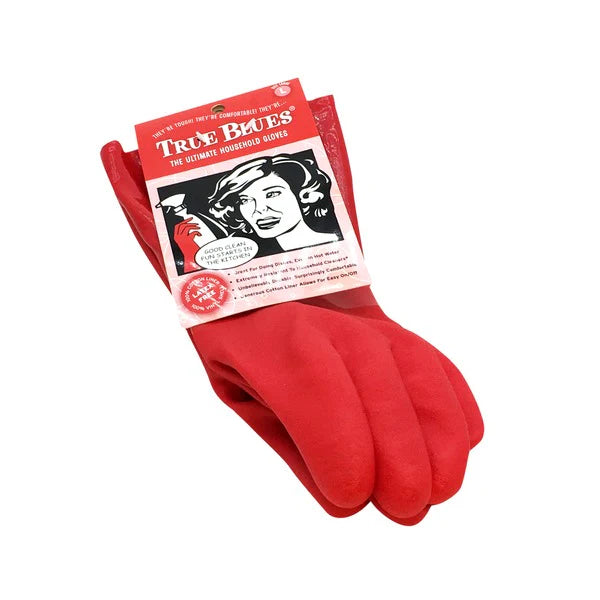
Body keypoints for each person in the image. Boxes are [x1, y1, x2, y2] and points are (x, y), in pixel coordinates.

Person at [207, 154, 341, 250]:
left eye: (272, 194)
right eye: (245, 200)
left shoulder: (340, 246)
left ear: (303, 195)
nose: (259, 209)